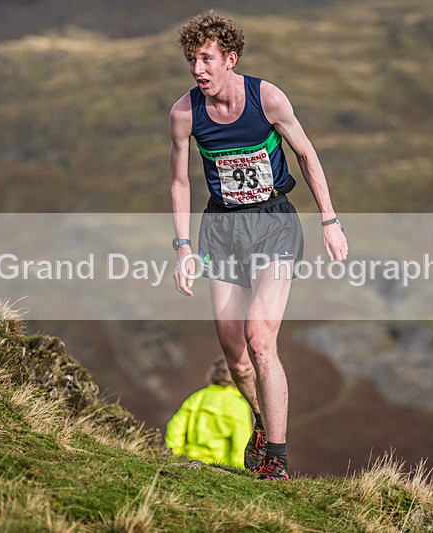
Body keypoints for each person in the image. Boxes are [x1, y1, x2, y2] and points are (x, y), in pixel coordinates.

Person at [169, 11, 348, 481]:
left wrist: (330, 221)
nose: (197, 69)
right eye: (192, 60)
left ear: (230, 58)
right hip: (221, 232)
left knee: (260, 338)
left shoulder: (266, 98)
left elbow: (307, 154)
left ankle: (277, 461)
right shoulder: (185, 113)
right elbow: (179, 181)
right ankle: (266, 426)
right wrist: (184, 247)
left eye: (206, 59)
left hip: (273, 224)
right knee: (236, 357)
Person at [165, 357, 253, 468]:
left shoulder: (197, 397)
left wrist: (176, 454)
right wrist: (238, 469)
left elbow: (175, 427)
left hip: (190, 460)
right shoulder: (238, 406)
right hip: (220, 465)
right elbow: (240, 444)